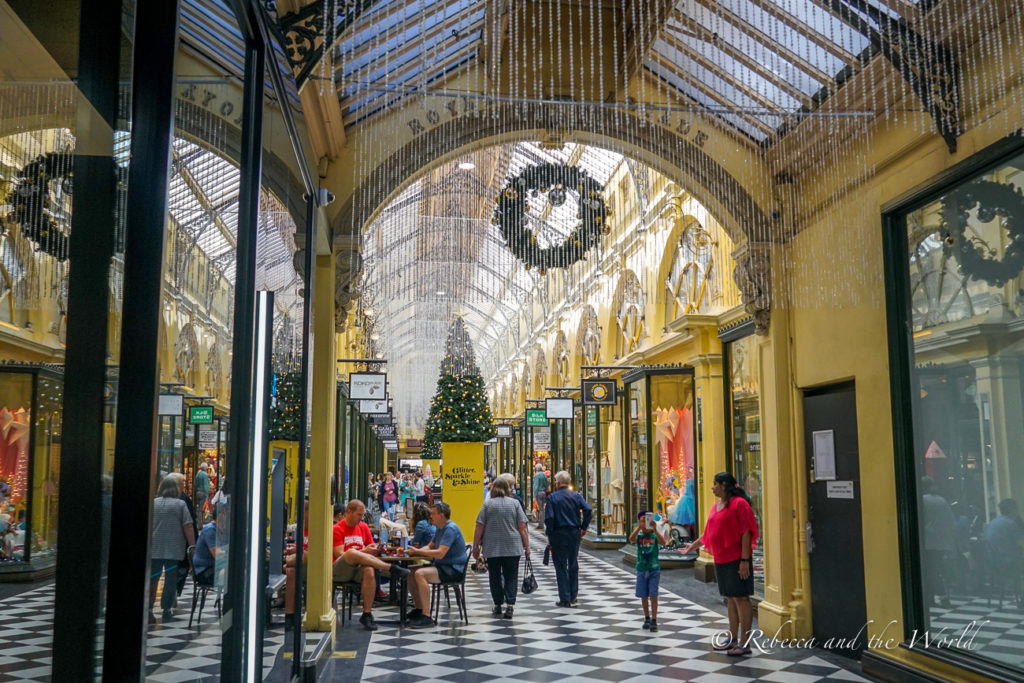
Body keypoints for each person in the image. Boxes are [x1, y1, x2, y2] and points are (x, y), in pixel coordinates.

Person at [680, 472, 759, 656]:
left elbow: (746, 532)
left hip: (736, 559)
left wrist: (744, 560)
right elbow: (709, 531)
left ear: (724, 485)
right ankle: (732, 638)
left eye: (715, 484)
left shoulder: (739, 504)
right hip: (722, 559)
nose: (712, 487)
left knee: (741, 598)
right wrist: (692, 547)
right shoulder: (717, 505)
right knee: (731, 598)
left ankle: (744, 642)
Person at [332, 499, 409, 631]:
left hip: (358, 569)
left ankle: (367, 614)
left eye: (363, 515)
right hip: (341, 568)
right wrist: (364, 551)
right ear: (348, 512)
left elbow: (369, 546)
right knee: (351, 553)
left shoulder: (363, 527)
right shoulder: (336, 529)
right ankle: (391, 569)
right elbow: (340, 554)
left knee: (369, 570)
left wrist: (376, 549)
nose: (361, 518)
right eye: (359, 515)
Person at [473, 477, 529, 619]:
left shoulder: (487, 505)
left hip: (492, 546)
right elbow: (522, 527)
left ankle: (498, 604)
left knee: (494, 576)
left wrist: (475, 546)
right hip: (512, 546)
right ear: (508, 488)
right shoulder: (515, 504)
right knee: (511, 576)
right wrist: (527, 546)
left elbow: (480, 526)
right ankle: (510, 605)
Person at [406, 502, 468, 628]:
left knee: (420, 574)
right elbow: (429, 546)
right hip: (443, 567)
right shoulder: (440, 529)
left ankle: (427, 616)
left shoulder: (450, 529)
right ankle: (419, 609)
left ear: (441, 515)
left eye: (433, 514)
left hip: (453, 569)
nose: (430, 516)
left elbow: (440, 554)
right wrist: (415, 552)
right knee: (410, 573)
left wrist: (417, 551)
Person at [150, 476, 195, 623]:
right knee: (170, 579)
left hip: (154, 547)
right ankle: (166, 608)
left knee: (153, 578)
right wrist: (192, 545)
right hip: (173, 548)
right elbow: (188, 526)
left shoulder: (153, 503)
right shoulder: (180, 504)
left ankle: (149, 607)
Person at [545, 471, 592, 608]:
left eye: (555, 481)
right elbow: (588, 509)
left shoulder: (552, 497)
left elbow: (549, 518)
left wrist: (550, 532)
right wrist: (584, 527)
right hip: (573, 533)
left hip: (558, 534)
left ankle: (564, 597)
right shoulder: (576, 496)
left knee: (560, 565)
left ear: (558, 483)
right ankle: (573, 596)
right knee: (573, 563)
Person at [920, 476, 956, 607]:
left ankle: (937, 597)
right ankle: (941, 597)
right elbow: (951, 521)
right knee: (937, 570)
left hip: (928, 542)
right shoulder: (942, 500)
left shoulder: (923, 500)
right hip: (942, 542)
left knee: (930, 571)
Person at [629, 510, 668, 631]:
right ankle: (646, 617)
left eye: (646, 521)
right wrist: (638, 528)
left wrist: (655, 529)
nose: (645, 524)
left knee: (653, 594)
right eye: (642, 521)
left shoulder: (654, 536)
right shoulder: (639, 536)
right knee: (643, 595)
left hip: (654, 569)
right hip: (641, 568)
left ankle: (654, 619)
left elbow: (663, 542)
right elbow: (631, 538)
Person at [984, 498, 1024, 603]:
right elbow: (1021, 544)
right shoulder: (1011, 524)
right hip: (1007, 563)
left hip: (993, 562)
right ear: (1013, 510)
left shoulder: (993, 522)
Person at [192, 504, 220, 586]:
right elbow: (218, 555)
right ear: (222, 515)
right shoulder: (210, 530)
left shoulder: (217, 529)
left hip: (209, 568)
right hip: (204, 571)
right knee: (232, 576)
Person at [532, 464, 549, 530]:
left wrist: (534, 495)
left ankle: (541, 524)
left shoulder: (537, 475)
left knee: (540, 509)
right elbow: (546, 484)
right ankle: (543, 522)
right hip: (543, 492)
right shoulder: (544, 474)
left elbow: (535, 486)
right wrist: (545, 490)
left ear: (536, 469)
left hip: (538, 492)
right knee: (543, 508)